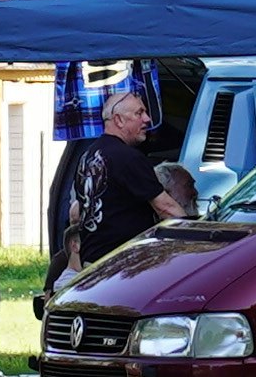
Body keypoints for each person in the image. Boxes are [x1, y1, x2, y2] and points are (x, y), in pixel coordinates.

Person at [45, 74, 170, 285]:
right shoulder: (128, 158)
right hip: (123, 269)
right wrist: (195, 237)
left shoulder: (86, 157)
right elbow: (166, 208)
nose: (147, 119)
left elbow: (76, 209)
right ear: (118, 120)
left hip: (92, 267)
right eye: (139, 113)